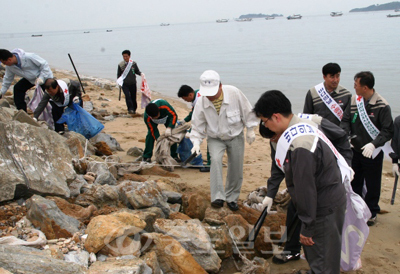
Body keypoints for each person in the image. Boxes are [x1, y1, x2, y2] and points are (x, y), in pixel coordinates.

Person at [254, 90, 346, 273]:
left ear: (276, 117)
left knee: (323, 259)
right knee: (321, 256)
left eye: (265, 121)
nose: (267, 127)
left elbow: (306, 189)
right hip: (322, 200)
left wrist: (307, 227)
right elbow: (281, 168)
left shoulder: (300, 144)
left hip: (323, 206)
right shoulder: (296, 130)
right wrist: (271, 194)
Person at [189, 70, 258, 211]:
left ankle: (232, 197)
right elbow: (197, 125)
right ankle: (218, 197)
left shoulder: (234, 93)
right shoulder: (201, 101)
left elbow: (247, 110)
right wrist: (196, 143)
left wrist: (250, 129)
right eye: (207, 93)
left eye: (212, 92)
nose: (210, 96)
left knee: (236, 167)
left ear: (220, 86)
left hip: (235, 135)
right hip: (215, 138)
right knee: (215, 161)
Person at [341, 71, 394, 226]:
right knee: (354, 181)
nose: (354, 87)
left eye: (356, 84)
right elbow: (345, 120)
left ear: (365, 87)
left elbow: (388, 130)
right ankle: (355, 209)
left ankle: (371, 211)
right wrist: (346, 136)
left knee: (372, 184)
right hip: (355, 150)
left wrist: (374, 144)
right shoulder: (353, 100)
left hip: (372, 152)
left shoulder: (382, 105)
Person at [177, 84, 211, 172]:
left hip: (212, 119)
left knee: (211, 140)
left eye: (185, 99)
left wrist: (192, 131)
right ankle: (213, 161)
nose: (186, 101)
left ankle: (210, 164)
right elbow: (193, 113)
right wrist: (184, 120)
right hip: (208, 118)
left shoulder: (199, 100)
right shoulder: (196, 93)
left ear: (190, 95)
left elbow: (198, 118)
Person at [117, 50, 143, 114]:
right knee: (127, 96)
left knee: (133, 97)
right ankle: (130, 109)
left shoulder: (133, 64)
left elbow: (137, 71)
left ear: (129, 56)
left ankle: (134, 109)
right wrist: (119, 83)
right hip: (124, 84)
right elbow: (119, 75)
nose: (125, 58)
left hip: (133, 83)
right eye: (123, 56)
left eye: (126, 56)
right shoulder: (121, 65)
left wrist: (141, 74)